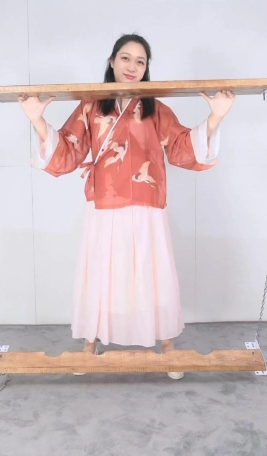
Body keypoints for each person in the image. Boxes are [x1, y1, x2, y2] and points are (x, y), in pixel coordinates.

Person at [19, 34, 234, 379]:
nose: (132, 66)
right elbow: (69, 150)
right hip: (105, 202)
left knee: (153, 272)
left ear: (147, 68)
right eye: (125, 57)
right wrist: (37, 120)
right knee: (101, 272)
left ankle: (167, 345)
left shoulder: (155, 109)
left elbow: (182, 147)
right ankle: (89, 344)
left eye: (140, 61)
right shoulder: (92, 106)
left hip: (147, 204)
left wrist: (215, 117)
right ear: (112, 61)